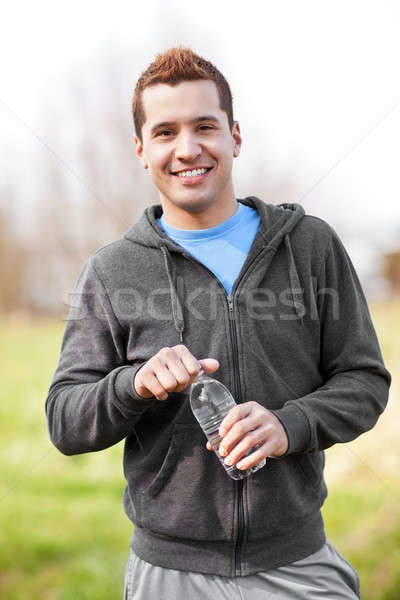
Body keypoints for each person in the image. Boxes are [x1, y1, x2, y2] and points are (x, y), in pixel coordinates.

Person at [45, 46, 391, 599]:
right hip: (170, 574)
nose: (188, 149)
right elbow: (64, 419)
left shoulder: (310, 246)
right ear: (141, 149)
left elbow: (365, 380)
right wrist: (133, 385)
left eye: (205, 126)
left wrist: (289, 425)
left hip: (298, 562)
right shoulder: (112, 271)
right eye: (165, 132)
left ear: (234, 135)